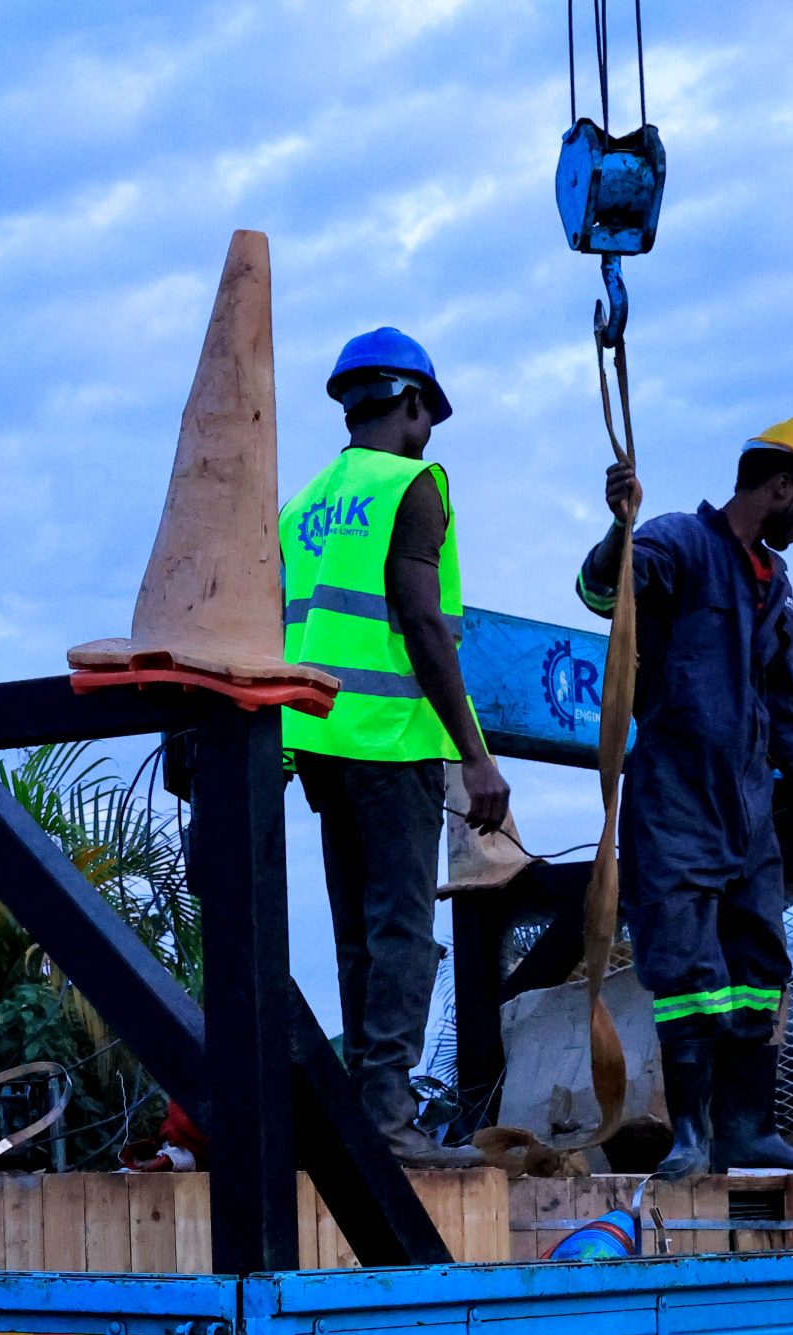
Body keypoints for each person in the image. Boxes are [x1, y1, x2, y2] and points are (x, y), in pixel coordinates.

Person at [573, 419, 793, 1179]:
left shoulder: (777, 586)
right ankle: (690, 1135)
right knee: (686, 965)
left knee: (760, 958)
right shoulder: (679, 543)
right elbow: (601, 590)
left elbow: (781, 703)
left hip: (749, 809)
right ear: (782, 485)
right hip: (676, 799)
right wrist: (619, 526)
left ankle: (745, 1131)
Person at [281, 327, 510, 1169]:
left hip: (320, 743)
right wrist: (475, 755)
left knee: (359, 934)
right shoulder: (411, 485)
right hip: (389, 739)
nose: (428, 436)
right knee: (405, 932)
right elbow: (421, 622)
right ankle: (387, 1118)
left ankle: (363, 1114)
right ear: (412, 402)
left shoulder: (303, 507)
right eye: (428, 418)